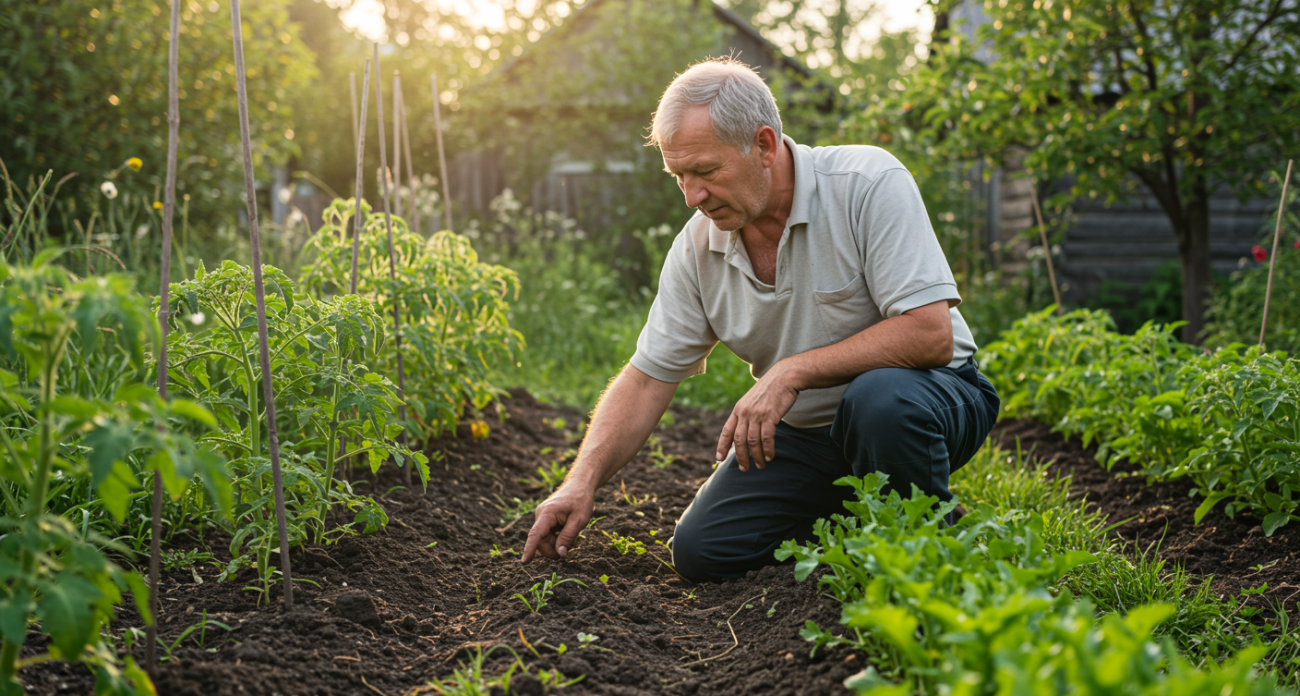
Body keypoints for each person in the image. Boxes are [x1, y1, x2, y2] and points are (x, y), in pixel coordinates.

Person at [521, 58, 1000, 582]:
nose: (692, 196)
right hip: (809, 433)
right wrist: (581, 482)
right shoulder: (697, 249)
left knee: (878, 400)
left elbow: (928, 335)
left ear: (765, 146)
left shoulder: (866, 183)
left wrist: (792, 371)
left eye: (705, 171)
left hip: (928, 398)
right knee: (703, 552)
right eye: (679, 175)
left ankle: (930, 543)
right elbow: (646, 378)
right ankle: (857, 516)